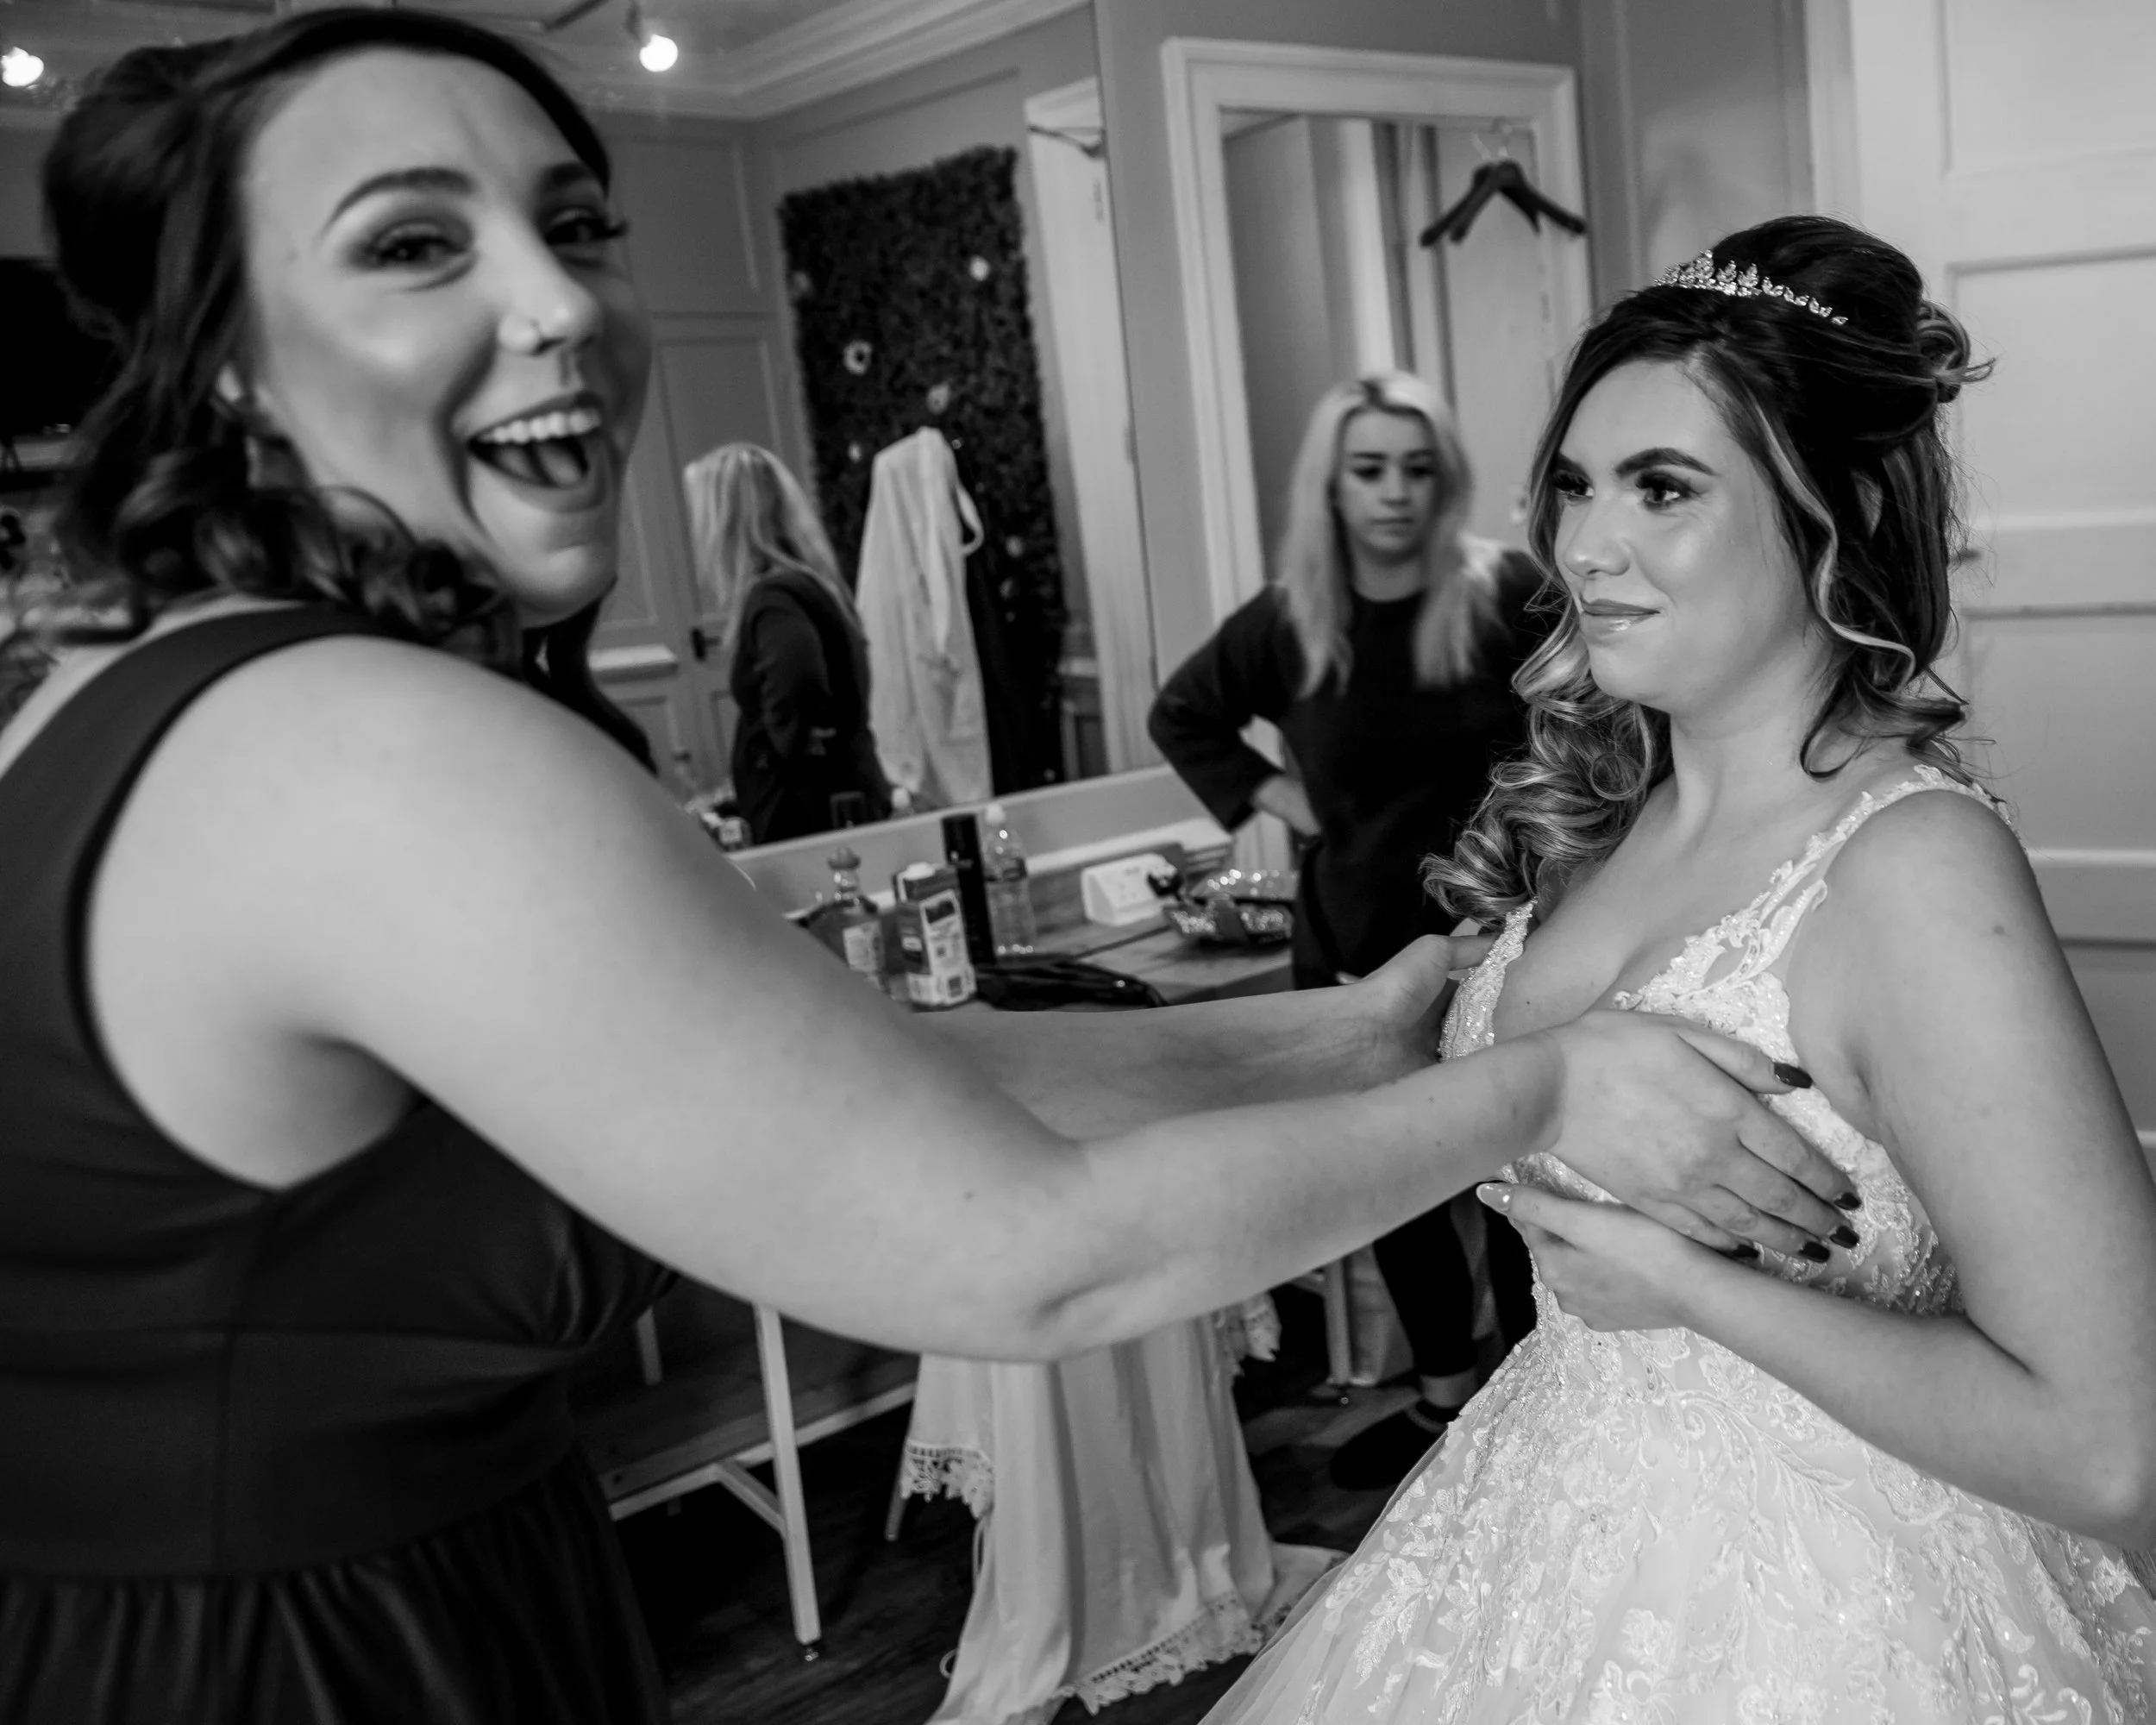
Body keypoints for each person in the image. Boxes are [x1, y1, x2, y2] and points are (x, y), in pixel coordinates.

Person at [0, 18, 1866, 1722]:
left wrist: (1355, 1037)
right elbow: (1024, 1262)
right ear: (222, 354)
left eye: (575, 227)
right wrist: (1536, 1087)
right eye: (416, 243)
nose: (558, 303)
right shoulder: (373, 749)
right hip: (287, 1656)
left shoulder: (147, 694)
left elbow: (876, 1078)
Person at [1201, 216, 2156, 1725]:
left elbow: (2115, 1445)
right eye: (1575, 486)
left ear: (1830, 514)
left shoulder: (1910, 869)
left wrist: (1685, 1286)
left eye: (1663, 488)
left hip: (1829, 1610)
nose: (1586, 546)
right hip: (1532, 1531)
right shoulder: (1597, 825)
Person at [1150, 373, 1545, 1489]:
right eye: (1369, 468)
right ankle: (1440, 1398)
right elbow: (1182, 711)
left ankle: (1540, 1390)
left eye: (1418, 470)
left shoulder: (1504, 589)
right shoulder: (1294, 618)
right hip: (1355, 944)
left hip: (1501, 938)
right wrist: (1287, 801)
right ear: (1332, 480)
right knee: (1395, 1184)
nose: (1395, 494)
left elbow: (1595, 713)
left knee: (1518, 1171)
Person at [682, 441, 892, 842]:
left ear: (728, 520)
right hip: (839, 796)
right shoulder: (813, 585)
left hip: (802, 811)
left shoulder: (773, 595)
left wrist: (788, 743)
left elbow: (799, 676)